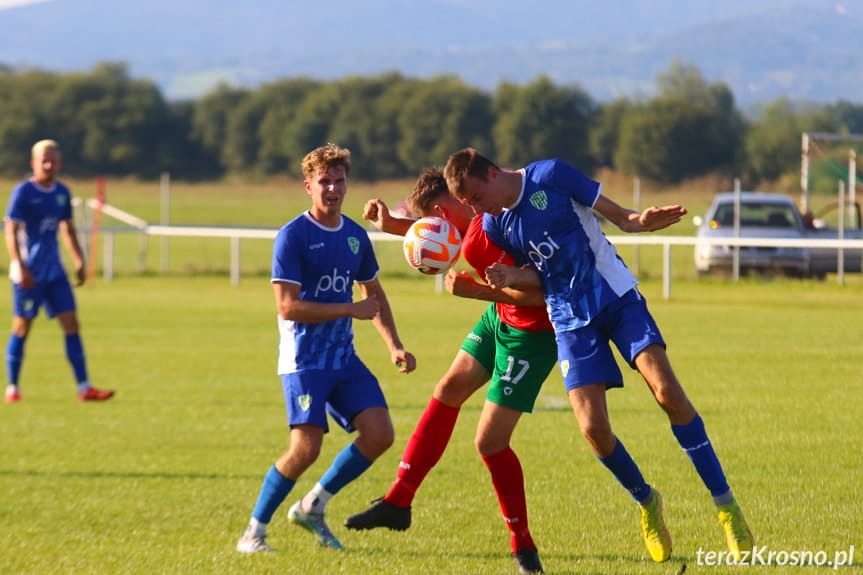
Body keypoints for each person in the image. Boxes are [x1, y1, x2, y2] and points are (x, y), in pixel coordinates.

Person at [443, 147, 754, 564]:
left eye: (476, 198)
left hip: (615, 297)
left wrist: (641, 222)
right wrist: (509, 276)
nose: (476, 210)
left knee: (667, 393)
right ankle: (646, 501)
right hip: (568, 319)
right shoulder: (495, 225)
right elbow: (537, 280)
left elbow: (621, 216)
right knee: (593, 428)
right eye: (468, 204)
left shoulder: (550, 176)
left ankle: (726, 506)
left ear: (493, 173)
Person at [343, 168, 556, 575]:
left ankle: (523, 547)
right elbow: (451, 235)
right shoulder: (476, 213)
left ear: (441, 210)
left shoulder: (484, 228)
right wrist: (393, 225)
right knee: (448, 389)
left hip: (533, 333)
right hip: (501, 316)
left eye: (431, 220)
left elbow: (545, 292)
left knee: (490, 443)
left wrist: (478, 292)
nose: (432, 229)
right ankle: (398, 501)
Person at [236, 144, 417, 553]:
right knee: (306, 448)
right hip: (303, 361)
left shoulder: (354, 236)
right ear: (308, 186)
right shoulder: (293, 236)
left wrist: (394, 345)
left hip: (343, 358)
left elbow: (373, 294)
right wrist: (349, 308)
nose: (333, 189)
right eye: (324, 182)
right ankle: (253, 533)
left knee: (380, 434)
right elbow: (288, 307)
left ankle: (312, 506)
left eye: (339, 181)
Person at [4, 139, 114, 404]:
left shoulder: (62, 193)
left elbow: (67, 228)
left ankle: (84, 387)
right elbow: (11, 230)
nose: (49, 165)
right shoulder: (23, 192)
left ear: (59, 163)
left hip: (55, 273)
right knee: (22, 327)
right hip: (28, 274)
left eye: (52, 161)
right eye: (44, 161)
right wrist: (20, 265)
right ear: (33, 163)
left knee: (72, 324)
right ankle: (13, 387)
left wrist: (79, 260)